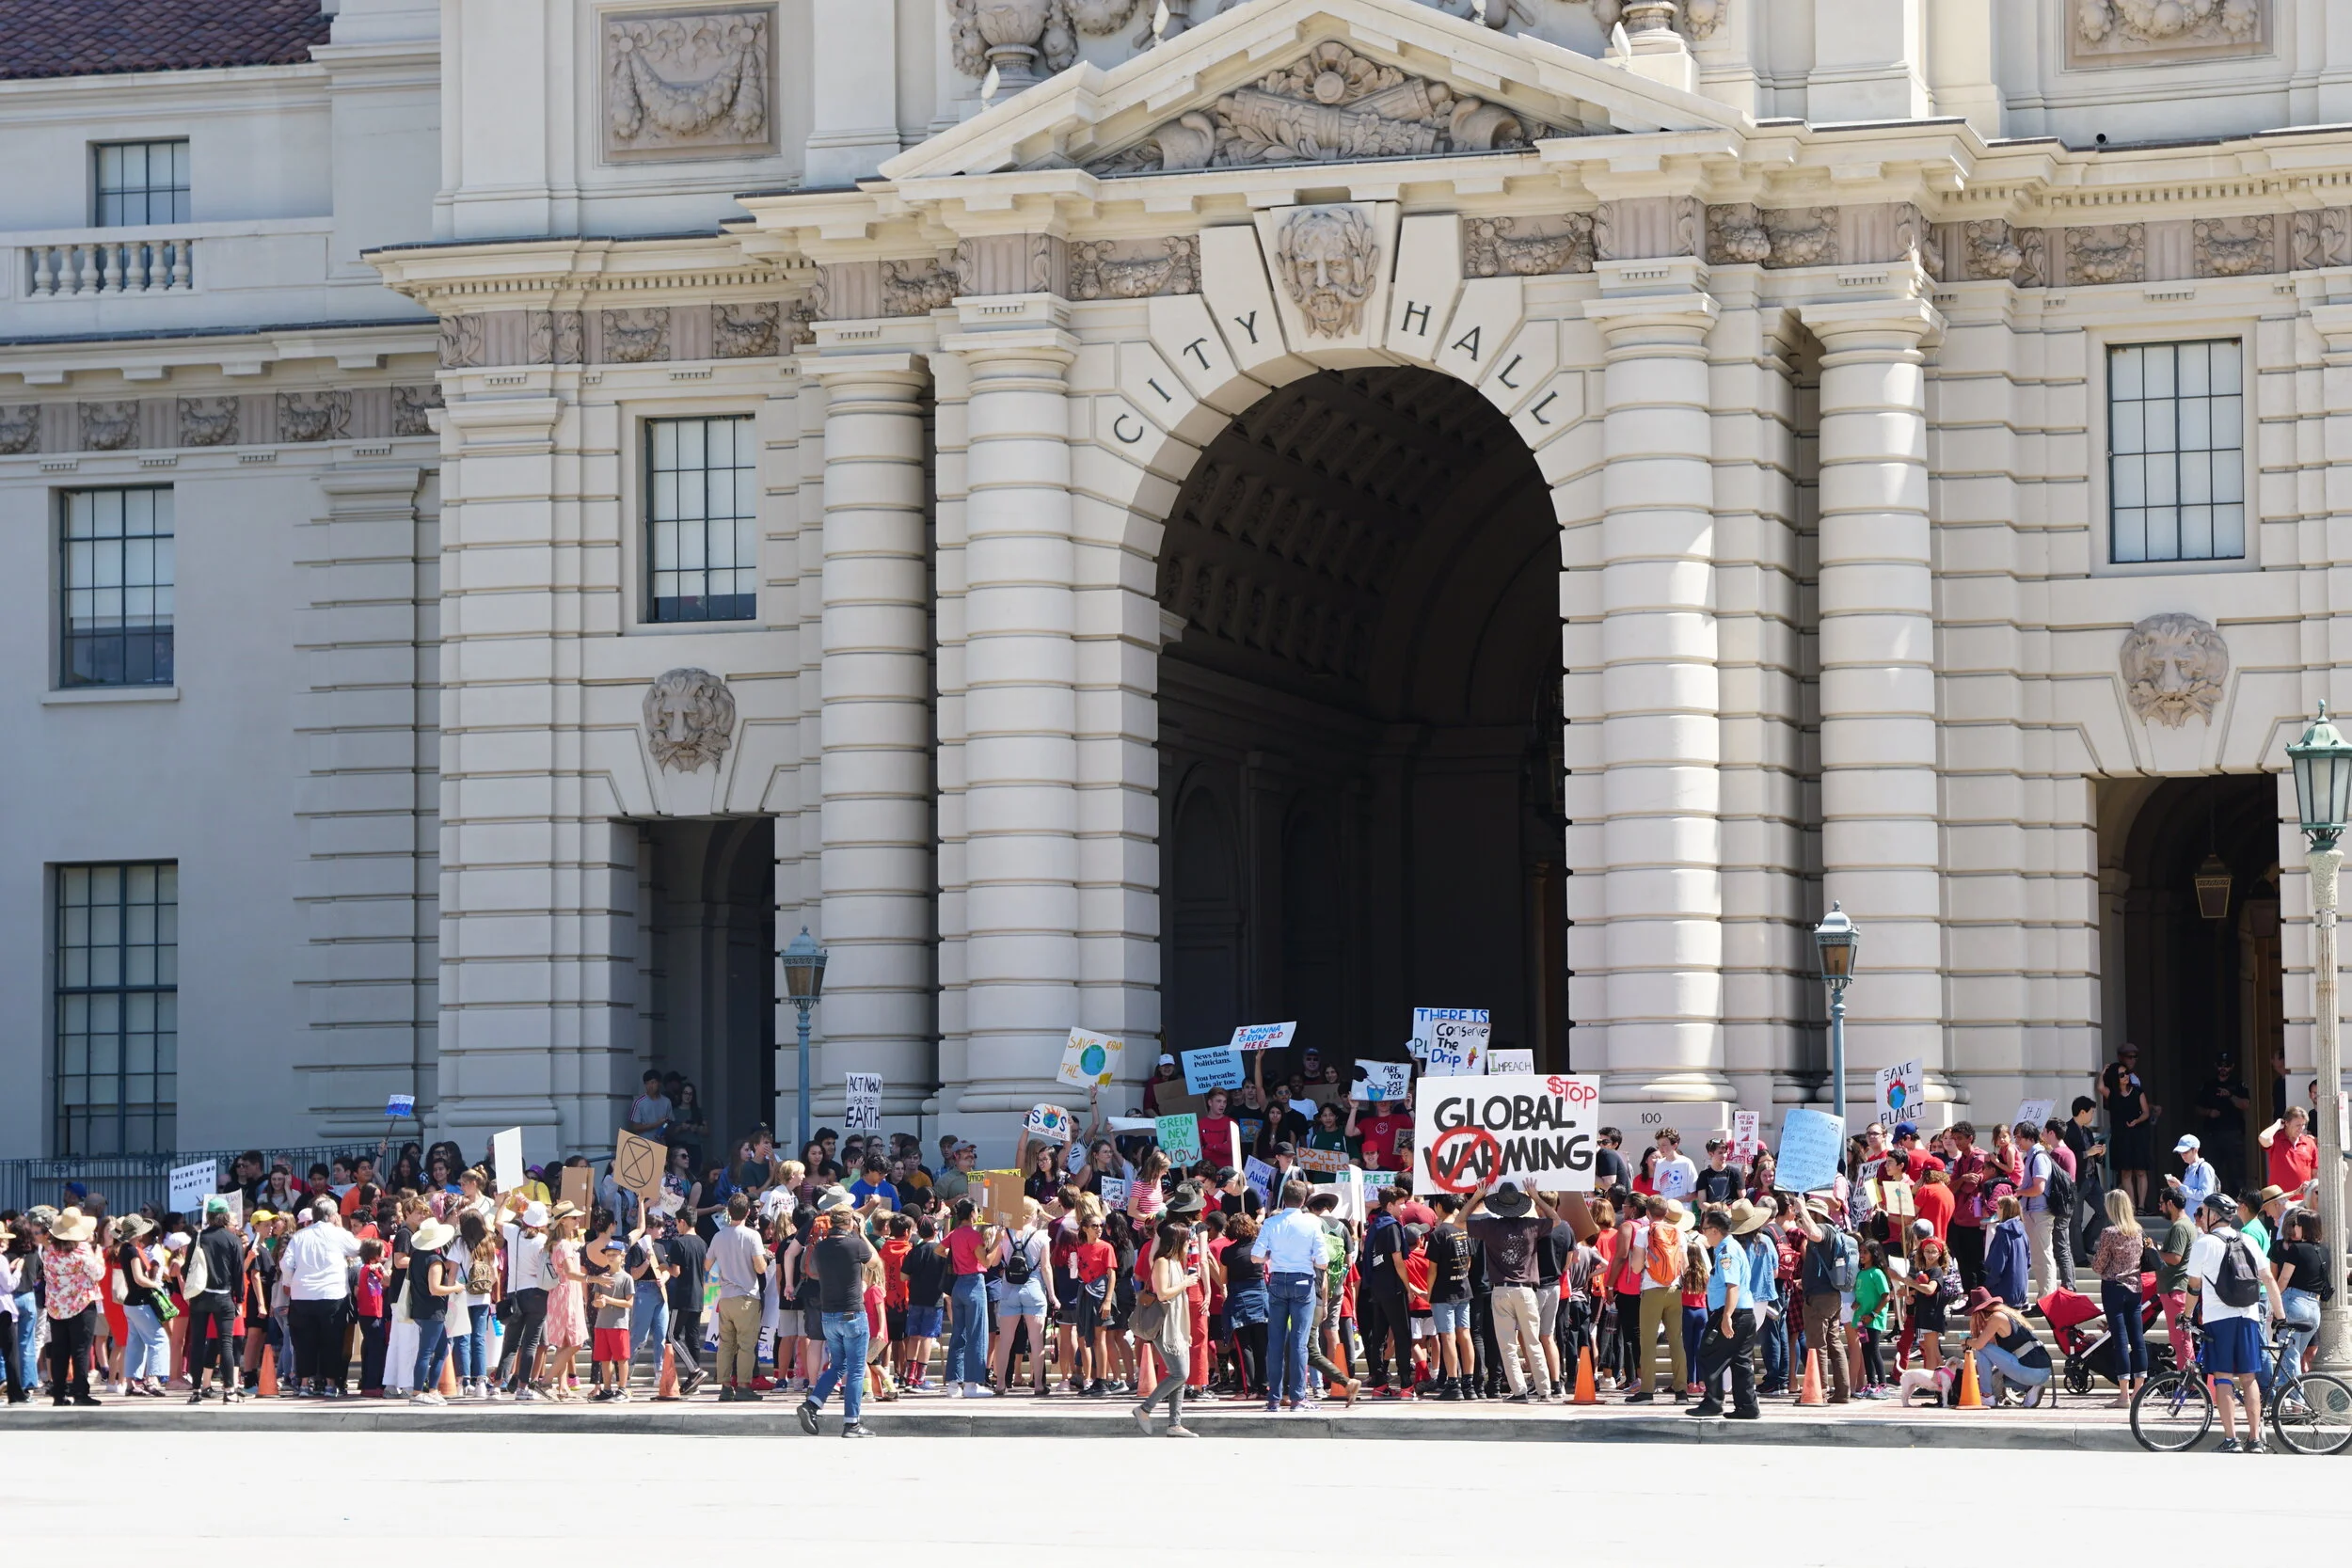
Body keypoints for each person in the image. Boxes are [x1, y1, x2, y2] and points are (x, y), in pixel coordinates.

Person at [2188, 1191, 2285, 1453]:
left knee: (2223, 1378)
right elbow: (2269, 1280)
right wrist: (2281, 1315)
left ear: (2212, 1215)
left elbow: (2193, 1286)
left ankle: (2231, 1440)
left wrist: (2186, 1316)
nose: (2202, 1216)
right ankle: (2255, 1439)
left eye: (2204, 1211)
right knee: (2249, 1378)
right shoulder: (2248, 1241)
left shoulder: (2205, 1243)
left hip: (2218, 1318)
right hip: (2249, 1316)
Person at [1460, 1179, 1558, 1403]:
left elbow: (1459, 1222)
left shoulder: (1490, 1226)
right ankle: (1545, 1390)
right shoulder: (1531, 1225)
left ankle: (1520, 1391)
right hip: (1526, 1290)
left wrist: (1476, 1198)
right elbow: (1557, 1219)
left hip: (1501, 1290)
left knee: (1508, 1346)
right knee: (1533, 1342)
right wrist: (1537, 1197)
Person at [797, 1188, 879, 1438]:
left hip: (829, 1314)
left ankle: (812, 1404)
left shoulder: (821, 1247)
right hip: (852, 1313)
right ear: (848, 1221)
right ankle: (852, 1423)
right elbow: (874, 1261)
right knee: (855, 1368)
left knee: (839, 1364)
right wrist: (862, 1233)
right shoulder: (855, 1244)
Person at [1687, 1204, 1759, 1420]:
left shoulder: (1726, 1252)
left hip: (1732, 1313)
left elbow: (1732, 1285)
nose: (1703, 1232)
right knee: (1740, 1361)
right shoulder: (1728, 1248)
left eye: (1705, 1227)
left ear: (1715, 1230)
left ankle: (1713, 1401)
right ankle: (1747, 1407)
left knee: (1707, 1354)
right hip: (1743, 1312)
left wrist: (1726, 1316)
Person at [282, 1198, 360, 1397]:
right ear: (332, 1215)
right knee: (332, 1341)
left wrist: (291, 1283)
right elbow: (357, 1249)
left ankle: (304, 1385)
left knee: (304, 1342)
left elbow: (286, 1263)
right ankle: (330, 1384)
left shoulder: (299, 1236)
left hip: (302, 1294)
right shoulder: (338, 1233)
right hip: (332, 1294)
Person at [1132, 1220, 1200, 1436]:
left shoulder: (1175, 1263)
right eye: (1186, 1239)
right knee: (1181, 1373)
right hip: (1164, 1324)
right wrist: (1186, 1282)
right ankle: (1145, 1409)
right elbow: (1163, 1294)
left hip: (1177, 1325)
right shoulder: (1162, 1261)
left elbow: (1180, 1300)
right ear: (1176, 1241)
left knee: (1179, 1376)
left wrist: (1187, 1331)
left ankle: (1175, 1423)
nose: (1189, 1243)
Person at [988, 1198, 1056, 1396]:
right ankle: (1038, 1385)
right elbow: (1046, 1267)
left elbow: (993, 1264)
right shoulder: (1041, 1236)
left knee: (1006, 1341)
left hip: (1009, 1289)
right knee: (1036, 1342)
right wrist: (1052, 1294)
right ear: (1033, 1213)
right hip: (1033, 1288)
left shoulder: (1006, 1234)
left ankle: (1000, 1384)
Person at [1791, 1196, 1854, 1404]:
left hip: (1819, 1298)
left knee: (1817, 1344)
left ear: (1816, 1215)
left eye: (1807, 1214)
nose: (1801, 1218)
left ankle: (1820, 1390)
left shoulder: (1824, 1230)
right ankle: (1842, 1392)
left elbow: (1814, 1233)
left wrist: (1802, 1209)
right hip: (1830, 1295)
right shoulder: (1833, 1233)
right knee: (1833, 1342)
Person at [2089, 1189, 2148, 1406]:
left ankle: (2124, 1395)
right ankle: (2139, 1392)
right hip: (2135, 1288)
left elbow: (2098, 1265)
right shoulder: (2138, 1230)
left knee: (2120, 1341)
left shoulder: (2109, 1233)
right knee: (2138, 1340)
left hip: (2114, 1287)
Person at [1961, 1287, 2053, 1405]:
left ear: (1980, 1311)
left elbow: (1979, 1344)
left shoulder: (1996, 1317)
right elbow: (1993, 1352)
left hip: (2031, 1371)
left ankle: (1986, 1395)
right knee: (1995, 1377)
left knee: (1982, 1348)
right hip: (2042, 1371)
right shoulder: (2009, 1315)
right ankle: (2030, 1389)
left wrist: (1966, 1341)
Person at [943, 1197, 993, 1397]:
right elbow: (986, 1262)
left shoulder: (955, 1234)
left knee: (958, 1334)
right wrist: (997, 1242)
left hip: (958, 1285)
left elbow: (940, 1249)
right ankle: (972, 1383)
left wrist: (956, 1259)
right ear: (972, 1213)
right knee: (977, 1334)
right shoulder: (972, 1235)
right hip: (974, 1283)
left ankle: (953, 1384)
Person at [2273, 1209, 2329, 1373]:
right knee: (2293, 1360)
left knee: (2289, 1360)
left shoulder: (2296, 1249)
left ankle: (2297, 1399)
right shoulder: (2324, 1251)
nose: (2294, 1227)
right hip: (2314, 1309)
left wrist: (2274, 1303)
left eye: (2296, 1224)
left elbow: (2283, 1279)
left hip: (2294, 1303)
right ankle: (2287, 1397)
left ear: (2303, 1227)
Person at [2103, 1043, 2156, 1211]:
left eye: (2135, 1057)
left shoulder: (2137, 1089)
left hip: (2138, 1134)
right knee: (2125, 1171)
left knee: (2140, 1170)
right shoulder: (2114, 1094)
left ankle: (2140, 1205)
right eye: (2129, 1056)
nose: (2125, 1076)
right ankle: (2131, 1206)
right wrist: (2104, 1072)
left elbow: (2145, 1111)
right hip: (2122, 1135)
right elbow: (2100, 1088)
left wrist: (2137, 1121)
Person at [2153, 1186, 2197, 1371]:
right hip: (2177, 1287)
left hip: (2175, 1288)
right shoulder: (2187, 1224)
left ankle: (2189, 1383)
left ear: (2170, 1203)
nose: (2160, 1207)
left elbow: (2175, 1258)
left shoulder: (2180, 1226)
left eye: (2162, 1203)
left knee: (2180, 1338)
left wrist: (2155, 1251)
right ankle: (2188, 1381)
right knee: (2180, 1338)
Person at [2194, 1053, 2252, 1193]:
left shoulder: (2238, 1083)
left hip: (2233, 1132)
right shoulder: (2208, 1085)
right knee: (2213, 1168)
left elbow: (2245, 1104)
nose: (2223, 1068)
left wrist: (2230, 1095)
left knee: (2235, 1170)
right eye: (2221, 1065)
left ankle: (2238, 1201)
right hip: (2212, 1133)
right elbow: (2197, 1108)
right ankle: (2213, 1198)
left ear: (2231, 1067)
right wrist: (2209, 1112)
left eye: (2226, 1065)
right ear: (2216, 1066)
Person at [2016, 1118, 2058, 1300]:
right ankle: (2046, 1297)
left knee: (2043, 1257)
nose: (2017, 1142)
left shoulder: (2039, 1157)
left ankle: (2046, 1298)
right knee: (2040, 1258)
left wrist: (2019, 1192)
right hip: (2035, 1212)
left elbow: (2038, 1188)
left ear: (2028, 1137)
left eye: (2018, 1137)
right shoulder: (2033, 1156)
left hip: (2039, 1212)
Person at [2259, 1106, 2320, 1202]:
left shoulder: (2309, 1142)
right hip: (2279, 1202)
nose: (2301, 1129)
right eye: (2297, 1125)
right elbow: (2263, 1138)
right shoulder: (2276, 1139)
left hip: (2302, 1201)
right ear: (2286, 1123)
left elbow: (2315, 1173)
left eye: (2303, 1125)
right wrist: (2278, 1124)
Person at [2167, 1134, 2217, 1213]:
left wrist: (2180, 1186)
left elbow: (2205, 1195)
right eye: (2180, 1153)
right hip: (2191, 1219)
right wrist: (2176, 1187)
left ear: (2195, 1150)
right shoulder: (2189, 1169)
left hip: (2200, 1221)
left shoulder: (2204, 1167)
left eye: (2185, 1152)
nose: (2182, 1155)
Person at [1650, 1130, 1699, 1202]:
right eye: (1659, 1145)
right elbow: (1659, 1192)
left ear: (1674, 1145)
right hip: (1665, 1212)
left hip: (1683, 1211)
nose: (1660, 1149)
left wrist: (1673, 1202)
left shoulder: (1686, 1163)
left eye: (1664, 1145)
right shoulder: (1659, 1164)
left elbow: (1694, 1194)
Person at [625, 1069, 673, 1138]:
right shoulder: (639, 1102)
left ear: (659, 1083)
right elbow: (635, 1127)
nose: (650, 1086)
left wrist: (664, 1128)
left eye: (653, 1082)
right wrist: (655, 1124)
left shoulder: (667, 1102)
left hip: (660, 1144)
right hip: (644, 1144)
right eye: (647, 1083)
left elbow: (670, 1123)